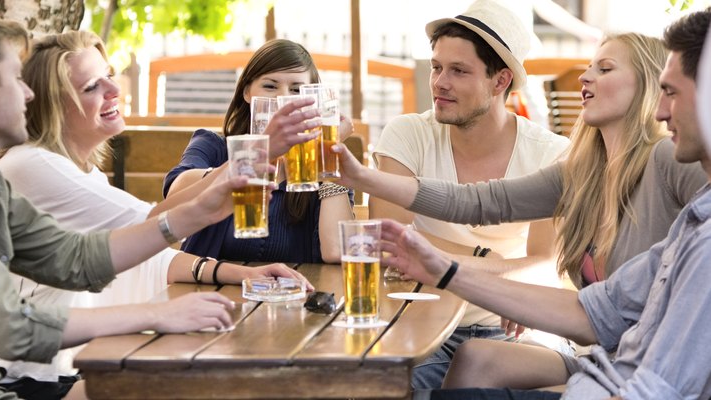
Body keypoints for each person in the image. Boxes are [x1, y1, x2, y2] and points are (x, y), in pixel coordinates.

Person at [356, 8, 711, 399]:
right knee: (465, 363)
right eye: (437, 67)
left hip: (636, 369)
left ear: (651, 85)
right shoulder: (583, 170)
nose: (585, 77)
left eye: (605, 69)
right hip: (603, 356)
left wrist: (457, 268)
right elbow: (478, 201)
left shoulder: (664, 159)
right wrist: (363, 178)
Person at [0, 11, 281, 399]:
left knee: (175, 380)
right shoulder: (22, 167)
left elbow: (74, 258)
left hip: (12, 380)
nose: (29, 94)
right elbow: (10, 329)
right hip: (13, 382)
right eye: (16, 78)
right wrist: (156, 314)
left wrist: (201, 214)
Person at [370, 0, 571, 389]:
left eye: (459, 71)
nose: (440, 82)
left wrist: (509, 288)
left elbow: (547, 264)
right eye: (437, 67)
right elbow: (389, 238)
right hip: (421, 325)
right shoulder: (408, 133)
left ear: (500, 81)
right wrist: (486, 260)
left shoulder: (550, 153)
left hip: (514, 328)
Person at [163, 38, 354, 264]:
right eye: (270, 86)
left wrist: (326, 155)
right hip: (209, 293)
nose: (283, 98)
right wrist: (255, 153)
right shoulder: (214, 146)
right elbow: (172, 202)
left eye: (297, 90)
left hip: (294, 294)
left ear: (312, 101)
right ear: (247, 93)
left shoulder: (321, 161)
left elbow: (336, 251)